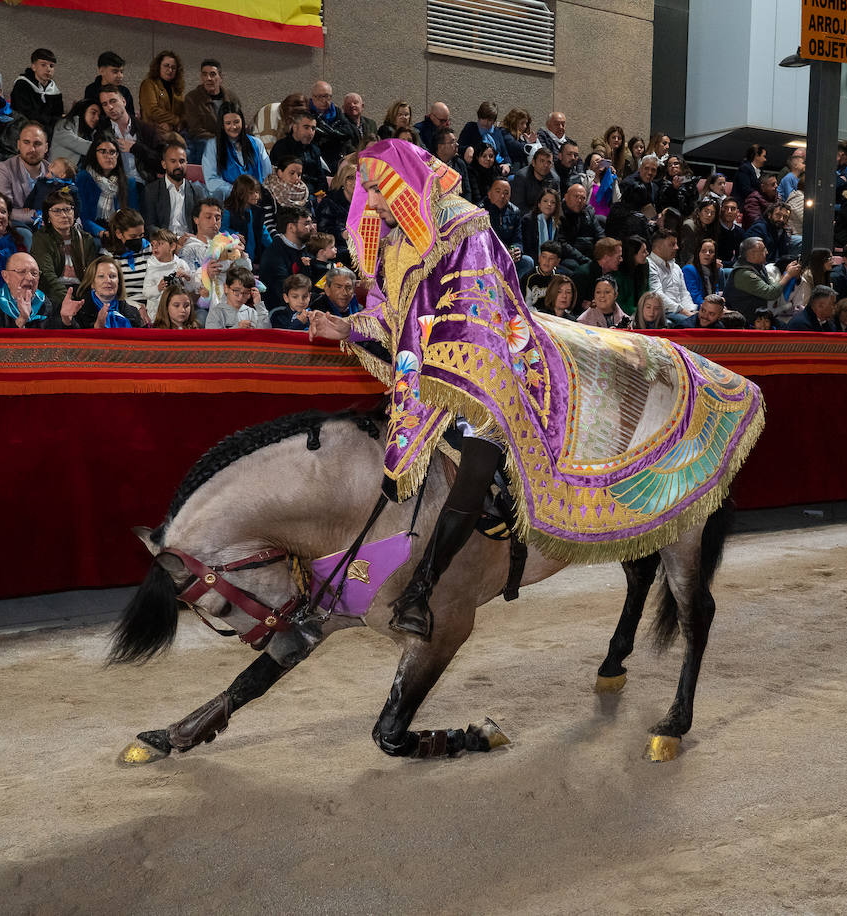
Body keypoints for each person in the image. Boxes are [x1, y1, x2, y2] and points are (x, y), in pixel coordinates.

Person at [308, 138, 764, 642]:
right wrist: (348, 327)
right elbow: (394, 314)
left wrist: (437, 368)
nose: (370, 204)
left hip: (494, 360)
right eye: (365, 192)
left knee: (476, 463)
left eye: (377, 190)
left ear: (402, 184)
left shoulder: (463, 224)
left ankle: (422, 588)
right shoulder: (395, 242)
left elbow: (478, 313)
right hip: (436, 365)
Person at [30, 188, 97, 307]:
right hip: (53, 293)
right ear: (48, 216)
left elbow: (91, 275)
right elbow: (47, 276)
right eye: (57, 211)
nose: (64, 215)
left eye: (67, 209)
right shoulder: (41, 238)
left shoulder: (86, 239)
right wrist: (68, 300)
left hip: (81, 292)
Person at [0, 121, 49, 242]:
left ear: (46, 147)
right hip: (16, 227)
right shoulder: (3, 169)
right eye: (26, 142)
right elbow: (3, 210)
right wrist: (40, 216)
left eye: (37, 143)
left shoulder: (54, 171)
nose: (32, 149)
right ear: (18, 145)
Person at [201, 102, 271, 199]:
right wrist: (239, 192)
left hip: (256, 197)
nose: (233, 127)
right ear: (222, 125)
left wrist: (254, 193)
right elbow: (211, 180)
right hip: (230, 199)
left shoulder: (257, 143)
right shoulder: (213, 146)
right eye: (228, 123)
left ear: (242, 121)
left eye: (236, 122)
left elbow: (267, 174)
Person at [74, 133, 138, 239]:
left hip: (121, 233)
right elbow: (82, 216)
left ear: (117, 155)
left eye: (112, 152)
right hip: (91, 234)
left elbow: (133, 216)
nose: (108, 156)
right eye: (103, 152)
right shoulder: (83, 178)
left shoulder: (128, 182)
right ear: (94, 154)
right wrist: (103, 233)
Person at [53, 254, 142, 328]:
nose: (108, 280)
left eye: (112, 276)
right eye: (101, 276)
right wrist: (66, 321)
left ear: (119, 282)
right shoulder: (78, 310)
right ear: (92, 283)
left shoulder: (132, 313)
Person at [725, 236, 800, 322]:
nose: (767, 252)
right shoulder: (744, 274)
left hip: (760, 316)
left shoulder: (759, 267)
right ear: (752, 254)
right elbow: (770, 294)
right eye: (763, 250)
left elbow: (773, 286)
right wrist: (788, 275)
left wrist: (786, 272)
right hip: (743, 320)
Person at [0, 250, 49, 328]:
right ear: (6, 276)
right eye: (21, 272)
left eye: (34, 273)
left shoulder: (45, 305)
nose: (30, 278)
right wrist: (21, 320)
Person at [142, 139, 204, 236]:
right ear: (164, 164)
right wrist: (170, 239)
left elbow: (202, 223)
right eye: (173, 161)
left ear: (186, 163)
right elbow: (150, 225)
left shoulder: (197, 191)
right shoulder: (151, 190)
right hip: (164, 240)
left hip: (190, 240)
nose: (178, 166)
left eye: (182, 161)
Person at [183, 58, 240, 145]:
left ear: (221, 77)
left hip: (231, 140)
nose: (208, 78)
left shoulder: (232, 98)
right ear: (201, 77)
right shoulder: (192, 98)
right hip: (205, 142)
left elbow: (238, 122)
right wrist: (220, 141)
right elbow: (196, 130)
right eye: (204, 74)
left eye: (212, 74)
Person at [10, 49, 62, 139]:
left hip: (47, 132)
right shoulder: (22, 85)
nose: (48, 69)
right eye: (43, 65)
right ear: (34, 67)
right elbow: (24, 113)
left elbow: (57, 115)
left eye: (51, 66)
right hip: (22, 128)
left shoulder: (55, 91)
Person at [646, 227, 695, 320]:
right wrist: (684, 312)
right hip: (662, 311)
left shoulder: (676, 267)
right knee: (690, 322)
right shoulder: (649, 265)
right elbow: (657, 295)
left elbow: (684, 293)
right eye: (672, 244)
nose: (677, 247)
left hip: (681, 311)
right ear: (658, 247)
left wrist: (691, 311)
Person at [307, 80, 356, 165]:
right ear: (313, 97)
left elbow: (348, 132)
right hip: (317, 158)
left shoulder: (336, 111)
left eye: (327, 96)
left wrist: (328, 133)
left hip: (337, 157)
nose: (324, 100)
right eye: (320, 97)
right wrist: (336, 134)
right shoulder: (307, 113)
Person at [139, 50, 184, 134]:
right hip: (153, 131)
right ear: (158, 66)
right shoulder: (149, 84)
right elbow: (152, 110)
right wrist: (176, 120)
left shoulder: (177, 88)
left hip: (174, 131)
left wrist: (176, 124)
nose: (170, 70)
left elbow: (182, 112)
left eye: (173, 67)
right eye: (166, 66)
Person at [510, 145, 557, 213]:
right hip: (526, 216)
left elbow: (556, 205)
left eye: (548, 162)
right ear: (533, 162)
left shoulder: (554, 179)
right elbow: (518, 207)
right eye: (542, 161)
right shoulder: (521, 177)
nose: (545, 165)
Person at [682, 237, 722, 306]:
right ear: (698, 253)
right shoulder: (689, 270)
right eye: (703, 251)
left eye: (711, 252)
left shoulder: (713, 270)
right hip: (696, 307)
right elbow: (694, 297)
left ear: (714, 256)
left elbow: (715, 293)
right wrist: (712, 307)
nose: (707, 254)